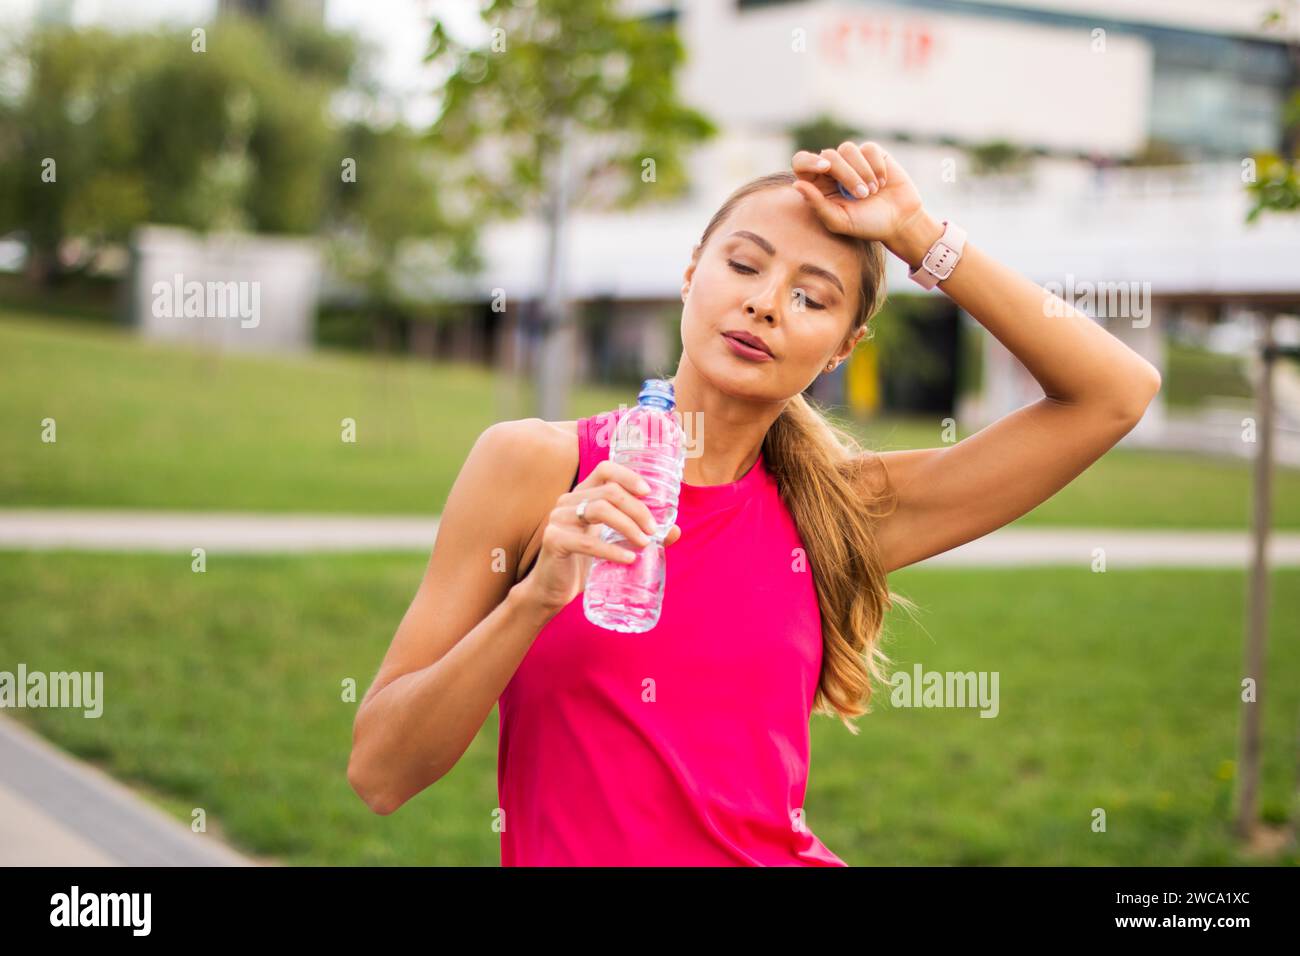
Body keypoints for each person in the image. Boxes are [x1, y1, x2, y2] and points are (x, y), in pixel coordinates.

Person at [347, 141, 1162, 865]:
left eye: (811, 297)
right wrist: (532, 600)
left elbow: (1115, 394)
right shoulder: (535, 464)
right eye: (744, 266)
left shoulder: (836, 512)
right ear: (690, 272)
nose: (767, 303)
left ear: (843, 348)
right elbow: (382, 772)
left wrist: (918, 234)